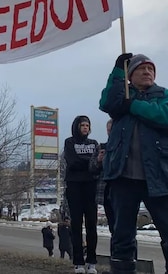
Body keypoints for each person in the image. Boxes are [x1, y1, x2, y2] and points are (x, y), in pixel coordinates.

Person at [99, 53, 168, 274]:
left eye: (150, 69)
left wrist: (133, 106)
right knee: (122, 236)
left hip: (160, 177)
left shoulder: (166, 96)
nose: (147, 72)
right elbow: (106, 102)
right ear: (130, 76)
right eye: (141, 69)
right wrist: (117, 72)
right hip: (124, 178)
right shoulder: (121, 96)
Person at [64, 115, 100, 274]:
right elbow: (72, 162)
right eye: (82, 125)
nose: (85, 128)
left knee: (92, 225)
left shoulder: (94, 143)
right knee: (76, 225)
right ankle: (78, 262)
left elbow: (98, 164)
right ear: (77, 126)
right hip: (74, 187)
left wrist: (91, 163)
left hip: (91, 187)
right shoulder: (69, 142)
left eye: (87, 125)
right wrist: (90, 162)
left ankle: (92, 261)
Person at [90, 119, 115, 234]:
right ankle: (115, 251)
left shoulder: (126, 146)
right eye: (109, 130)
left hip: (121, 189)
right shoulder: (101, 147)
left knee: (124, 227)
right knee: (112, 225)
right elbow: (92, 169)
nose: (110, 132)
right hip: (106, 190)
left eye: (112, 130)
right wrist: (99, 161)